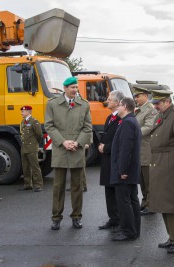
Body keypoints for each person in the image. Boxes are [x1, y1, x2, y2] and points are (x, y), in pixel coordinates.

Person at [45, 76, 92, 230]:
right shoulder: (52, 104)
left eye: (76, 87)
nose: (75, 90)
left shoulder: (84, 105)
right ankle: (56, 218)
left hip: (77, 149)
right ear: (65, 88)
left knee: (77, 186)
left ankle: (76, 217)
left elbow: (87, 127)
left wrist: (77, 143)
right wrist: (63, 142)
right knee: (58, 186)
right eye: (72, 87)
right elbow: (49, 126)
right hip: (60, 149)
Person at [148, 89, 174, 254]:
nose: (156, 106)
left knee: (172, 204)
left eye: (158, 103)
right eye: (155, 103)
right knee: (163, 203)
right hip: (159, 163)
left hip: (170, 165)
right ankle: (171, 236)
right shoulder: (162, 116)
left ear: (167, 101)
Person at [110, 97, 142, 241]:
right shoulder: (130, 121)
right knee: (132, 200)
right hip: (130, 170)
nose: (117, 106)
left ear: (125, 106)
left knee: (124, 201)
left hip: (125, 171)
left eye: (119, 104)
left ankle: (128, 231)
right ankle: (134, 230)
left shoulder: (128, 123)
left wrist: (123, 170)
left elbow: (125, 150)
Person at [97, 90, 124, 231]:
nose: (107, 101)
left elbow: (119, 140)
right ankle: (113, 218)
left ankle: (120, 220)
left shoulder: (121, 119)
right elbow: (106, 134)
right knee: (109, 190)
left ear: (118, 102)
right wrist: (101, 145)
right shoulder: (110, 117)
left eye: (110, 99)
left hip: (115, 159)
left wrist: (106, 147)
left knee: (117, 191)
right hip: (107, 159)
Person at [132, 86, 157, 216]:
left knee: (149, 180)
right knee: (141, 179)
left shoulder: (150, 110)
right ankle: (145, 202)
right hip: (139, 150)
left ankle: (151, 205)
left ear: (146, 96)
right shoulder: (139, 110)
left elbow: (148, 127)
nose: (136, 98)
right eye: (135, 96)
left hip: (147, 150)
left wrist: (132, 133)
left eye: (138, 96)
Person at [19, 105, 44, 192]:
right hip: (24, 147)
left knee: (35, 167)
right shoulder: (23, 122)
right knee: (25, 167)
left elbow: (39, 135)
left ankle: (38, 185)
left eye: (23, 111)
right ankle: (27, 184)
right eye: (22, 111)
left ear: (28, 112)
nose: (21, 113)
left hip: (32, 147)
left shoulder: (34, 122)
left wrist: (35, 143)